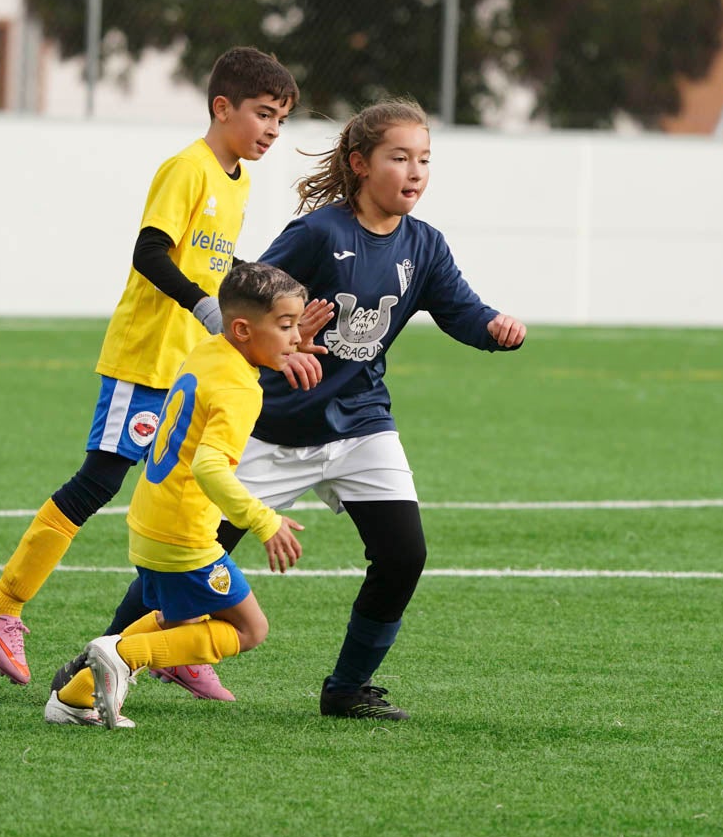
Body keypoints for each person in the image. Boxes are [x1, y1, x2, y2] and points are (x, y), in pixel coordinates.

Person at [100, 98, 527, 721]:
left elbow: (461, 310)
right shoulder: (320, 234)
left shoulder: (424, 245)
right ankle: (101, 659)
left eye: (424, 159)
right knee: (189, 553)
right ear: (360, 164)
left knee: (403, 555)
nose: (415, 171)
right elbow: (247, 300)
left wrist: (493, 327)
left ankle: (347, 688)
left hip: (361, 424)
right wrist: (288, 346)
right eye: (399, 157)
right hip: (274, 429)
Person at [0, 46, 301, 699]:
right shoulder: (188, 168)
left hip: (187, 369)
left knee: (183, 506)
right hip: (145, 357)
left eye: (281, 120)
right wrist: (203, 305)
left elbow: (216, 265)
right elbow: (150, 252)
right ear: (222, 107)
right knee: (99, 480)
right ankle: (2, 604)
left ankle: (170, 637)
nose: (272, 131)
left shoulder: (237, 180)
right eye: (264, 114)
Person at [44, 262, 313, 729]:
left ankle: (73, 696)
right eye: (287, 326)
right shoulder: (239, 388)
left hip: (150, 517)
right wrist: (264, 521)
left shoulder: (209, 349)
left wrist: (280, 338)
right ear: (243, 329)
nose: (297, 338)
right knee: (250, 628)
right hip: (184, 534)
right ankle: (122, 655)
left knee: (177, 619)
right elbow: (209, 467)